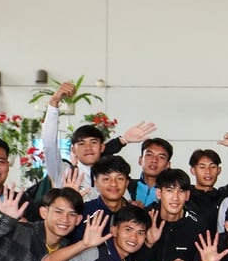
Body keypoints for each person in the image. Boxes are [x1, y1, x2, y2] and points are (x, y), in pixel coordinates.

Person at [31, 80, 156, 213]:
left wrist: (132, 206)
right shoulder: (64, 172)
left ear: (102, 147)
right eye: (81, 143)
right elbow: (49, 144)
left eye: (94, 142)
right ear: (73, 150)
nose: (88, 147)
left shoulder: (114, 177)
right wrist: (54, 102)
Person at [127, 138, 173, 207]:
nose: (154, 160)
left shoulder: (172, 193)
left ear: (167, 165)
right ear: (140, 160)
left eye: (161, 157)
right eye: (149, 155)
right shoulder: (126, 186)